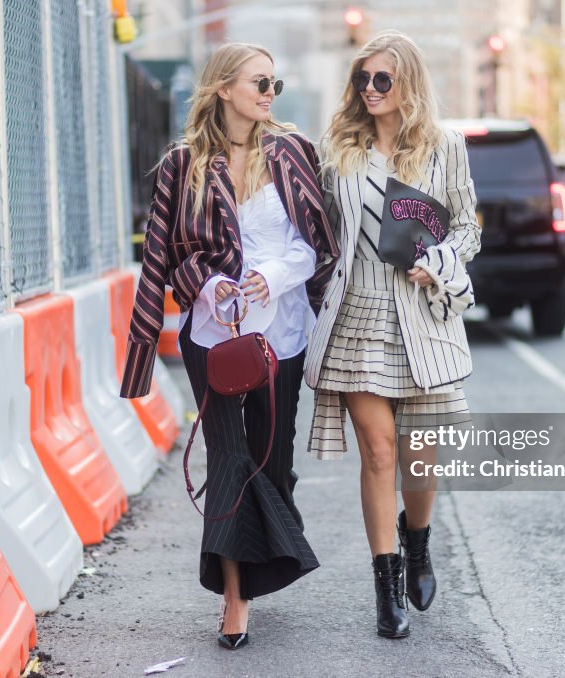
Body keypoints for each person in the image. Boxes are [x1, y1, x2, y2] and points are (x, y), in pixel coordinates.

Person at [119, 42, 337, 650]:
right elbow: (161, 257)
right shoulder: (182, 165)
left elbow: (314, 242)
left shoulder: (293, 153)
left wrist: (275, 278)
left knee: (273, 460)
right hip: (212, 337)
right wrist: (211, 287)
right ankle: (235, 598)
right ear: (224, 89)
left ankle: (266, 558)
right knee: (230, 458)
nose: (270, 94)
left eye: (275, 83)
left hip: (282, 331)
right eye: (259, 83)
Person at [304, 30, 481, 639]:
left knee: (418, 458)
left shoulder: (444, 146)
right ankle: (387, 589)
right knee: (378, 453)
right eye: (363, 79)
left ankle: (419, 538)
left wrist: (439, 260)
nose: (371, 90)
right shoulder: (341, 149)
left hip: (421, 314)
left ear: (408, 83)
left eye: (383, 79)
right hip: (358, 314)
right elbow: (323, 233)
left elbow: (467, 229)